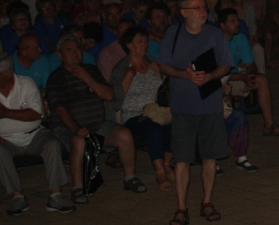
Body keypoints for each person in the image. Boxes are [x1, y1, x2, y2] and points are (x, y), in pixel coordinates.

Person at [159, 0, 233, 225]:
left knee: (209, 157)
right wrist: (184, 75)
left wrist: (210, 76)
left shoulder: (214, 34)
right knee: (182, 159)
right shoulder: (173, 34)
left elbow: (226, 64)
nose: (203, 11)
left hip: (210, 104)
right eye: (198, 8)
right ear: (184, 13)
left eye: (204, 8)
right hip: (183, 106)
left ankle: (207, 202)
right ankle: (181, 208)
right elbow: (163, 65)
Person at [47, 34, 145, 203]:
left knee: (124, 134)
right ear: (60, 55)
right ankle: (78, 188)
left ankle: (130, 178)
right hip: (68, 127)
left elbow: (109, 95)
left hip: (99, 125)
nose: (75, 53)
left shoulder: (91, 70)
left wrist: (87, 78)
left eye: (77, 49)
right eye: (69, 50)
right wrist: (76, 129)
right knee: (79, 141)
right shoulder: (56, 77)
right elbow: (60, 110)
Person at [0, 53, 75, 215]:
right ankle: (17, 197)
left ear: (7, 73)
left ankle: (55, 195)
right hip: (5, 140)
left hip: (34, 134)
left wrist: (5, 113)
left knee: (52, 144)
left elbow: (35, 114)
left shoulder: (26, 83)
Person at [110, 26, 174, 190]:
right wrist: (129, 75)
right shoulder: (122, 67)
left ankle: (167, 163)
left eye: (146, 41)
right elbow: (116, 98)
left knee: (177, 123)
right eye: (140, 42)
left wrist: (162, 72)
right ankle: (160, 172)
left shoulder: (153, 61)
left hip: (157, 112)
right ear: (129, 45)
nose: (144, 45)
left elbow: (167, 87)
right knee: (154, 129)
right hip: (134, 115)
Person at [220, 7, 279, 138]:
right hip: (218, 81)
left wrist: (250, 77)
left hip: (234, 78)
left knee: (261, 80)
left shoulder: (240, 38)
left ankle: (269, 125)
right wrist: (243, 77)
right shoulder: (216, 42)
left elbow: (250, 65)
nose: (237, 24)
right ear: (222, 25)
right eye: (232, 21)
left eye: (237, 20)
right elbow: (218, 74)